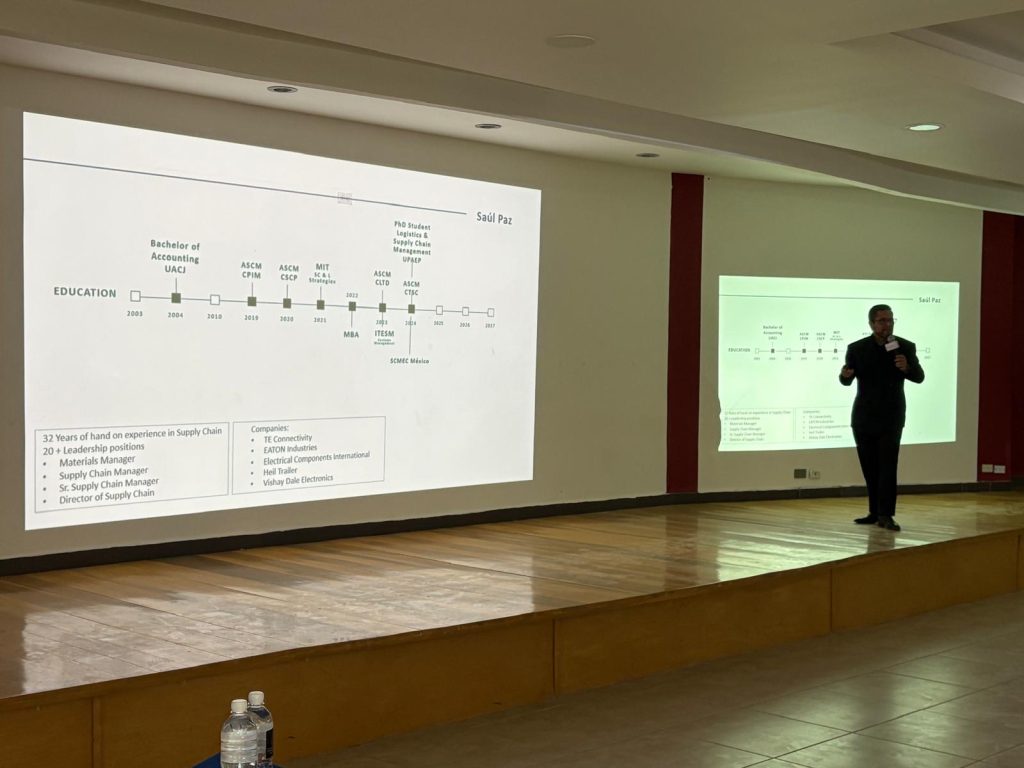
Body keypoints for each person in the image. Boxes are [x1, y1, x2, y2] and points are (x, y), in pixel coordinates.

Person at [839, 304, 924, 532]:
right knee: (870, 467)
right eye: (882, 321)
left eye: (890, 320)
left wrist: (907, 368)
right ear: (871, 324)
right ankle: (874, 512)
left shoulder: (904, 347)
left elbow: (919, 377)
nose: (887, 325)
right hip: (863, 417)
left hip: (891, 417)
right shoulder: (857, 348)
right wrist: (844, 376)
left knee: (888, 466)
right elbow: (847, 379)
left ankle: (886, 514)